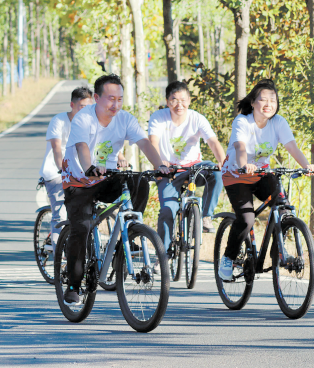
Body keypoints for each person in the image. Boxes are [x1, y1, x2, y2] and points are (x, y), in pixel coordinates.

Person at [61, 74, 168, 305]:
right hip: (79, 180)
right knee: (82, 227)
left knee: (139, 180)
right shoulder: (83, 119)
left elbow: (144, 143)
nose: (115, 105)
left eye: (120, 99)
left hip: (108, 177)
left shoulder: (125, 119)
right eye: (110, 99)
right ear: (97, 98)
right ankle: (73, 285)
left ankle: (127, 236)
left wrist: (159, 166)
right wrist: (89, 167)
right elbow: (81, 147)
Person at [218, 79, 314, 281]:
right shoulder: (242, 121)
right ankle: (228, 258)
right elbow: (240, 148)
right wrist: (245, 164)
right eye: (263, 99)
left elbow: (292, 147)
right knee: (247, 219)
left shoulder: (278, 122)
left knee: (283, 207)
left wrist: (307, 165)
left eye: (273, 100)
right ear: (253, 102)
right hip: (236, 175)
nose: (268, 104)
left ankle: (279, 252)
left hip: (261, 174)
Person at [38, 86, 129, 250]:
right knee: (61, 214)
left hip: (85, 173)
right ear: (72, 106)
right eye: (82, 107)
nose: (86, 111)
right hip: (58, 173)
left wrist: (120, 159)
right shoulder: (59, 121)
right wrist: (63, 169)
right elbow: (57, 149)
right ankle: (62, 256)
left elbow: (107, 142)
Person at [148, 81, 226, 254]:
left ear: (190, 100)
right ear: (167, 101)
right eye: (174, 100)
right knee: (167, 211)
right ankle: (164, 255)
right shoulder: (158, 117)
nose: (179, 104)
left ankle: (206, 216)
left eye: (183, 100)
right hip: (169, 171)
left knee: (217, 173)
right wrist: (159, 164)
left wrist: (222, 161)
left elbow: (212, 141)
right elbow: (153, 142)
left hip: (194, 168)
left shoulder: (197, 118)